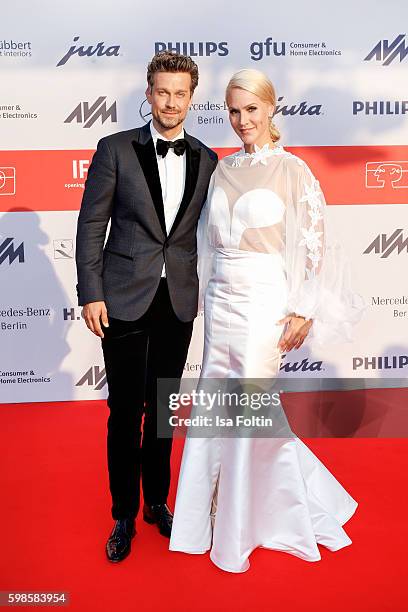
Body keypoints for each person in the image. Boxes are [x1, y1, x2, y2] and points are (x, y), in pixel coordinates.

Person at [169, 69, 362, 572]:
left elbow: (313, 244)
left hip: (264, 305)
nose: (241, 121)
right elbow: (210, 245)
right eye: (233, 111)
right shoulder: (223, 169)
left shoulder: (293, 171)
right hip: (222, 303)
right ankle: (208, 513)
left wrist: (304, 308)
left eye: (251, 110)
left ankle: (250, 521)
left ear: (272, 108)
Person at [75, 51, 217, 562]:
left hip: (177, 301)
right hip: (123, 299)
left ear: (192, 98)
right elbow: (92, 224)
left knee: (162, 411)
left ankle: (158, 502)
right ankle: (123, 515)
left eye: (180, 93)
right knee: (123, 412)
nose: (171, 102)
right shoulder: (114, 149)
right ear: (149, 93)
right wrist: (91, 292)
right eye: (163, 92)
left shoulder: (207, 157)